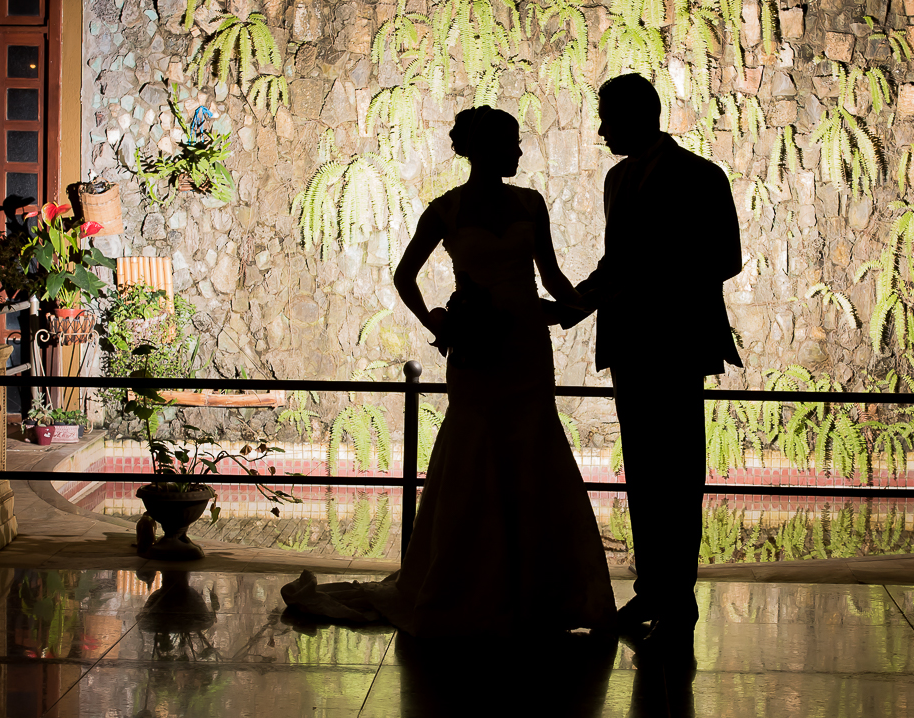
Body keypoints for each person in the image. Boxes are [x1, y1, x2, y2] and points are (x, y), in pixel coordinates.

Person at [282, 106, 616, 637]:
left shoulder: (531, 203)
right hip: (477, 347)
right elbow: (404, 275)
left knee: (534, 448)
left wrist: (585, 301)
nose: (519, 152)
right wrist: (434, 321)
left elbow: (551, 276)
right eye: (510, 143)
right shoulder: (445, 210)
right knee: (474, 449)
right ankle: (474, 586)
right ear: (482, 150)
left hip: (527, 347)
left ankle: (543, 592)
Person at [562, 73, 743, 652]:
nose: (601, 130)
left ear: (638, 116)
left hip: (678, 341)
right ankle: (651, 590)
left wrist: (651, 281)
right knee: (643, 471)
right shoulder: (616, 180)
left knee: (679, 474)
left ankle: (678, 599)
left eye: (607, 118)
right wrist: (570, 307)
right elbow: (615, 263)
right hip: (630, 343)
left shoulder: (702, 176)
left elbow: (726, 258)